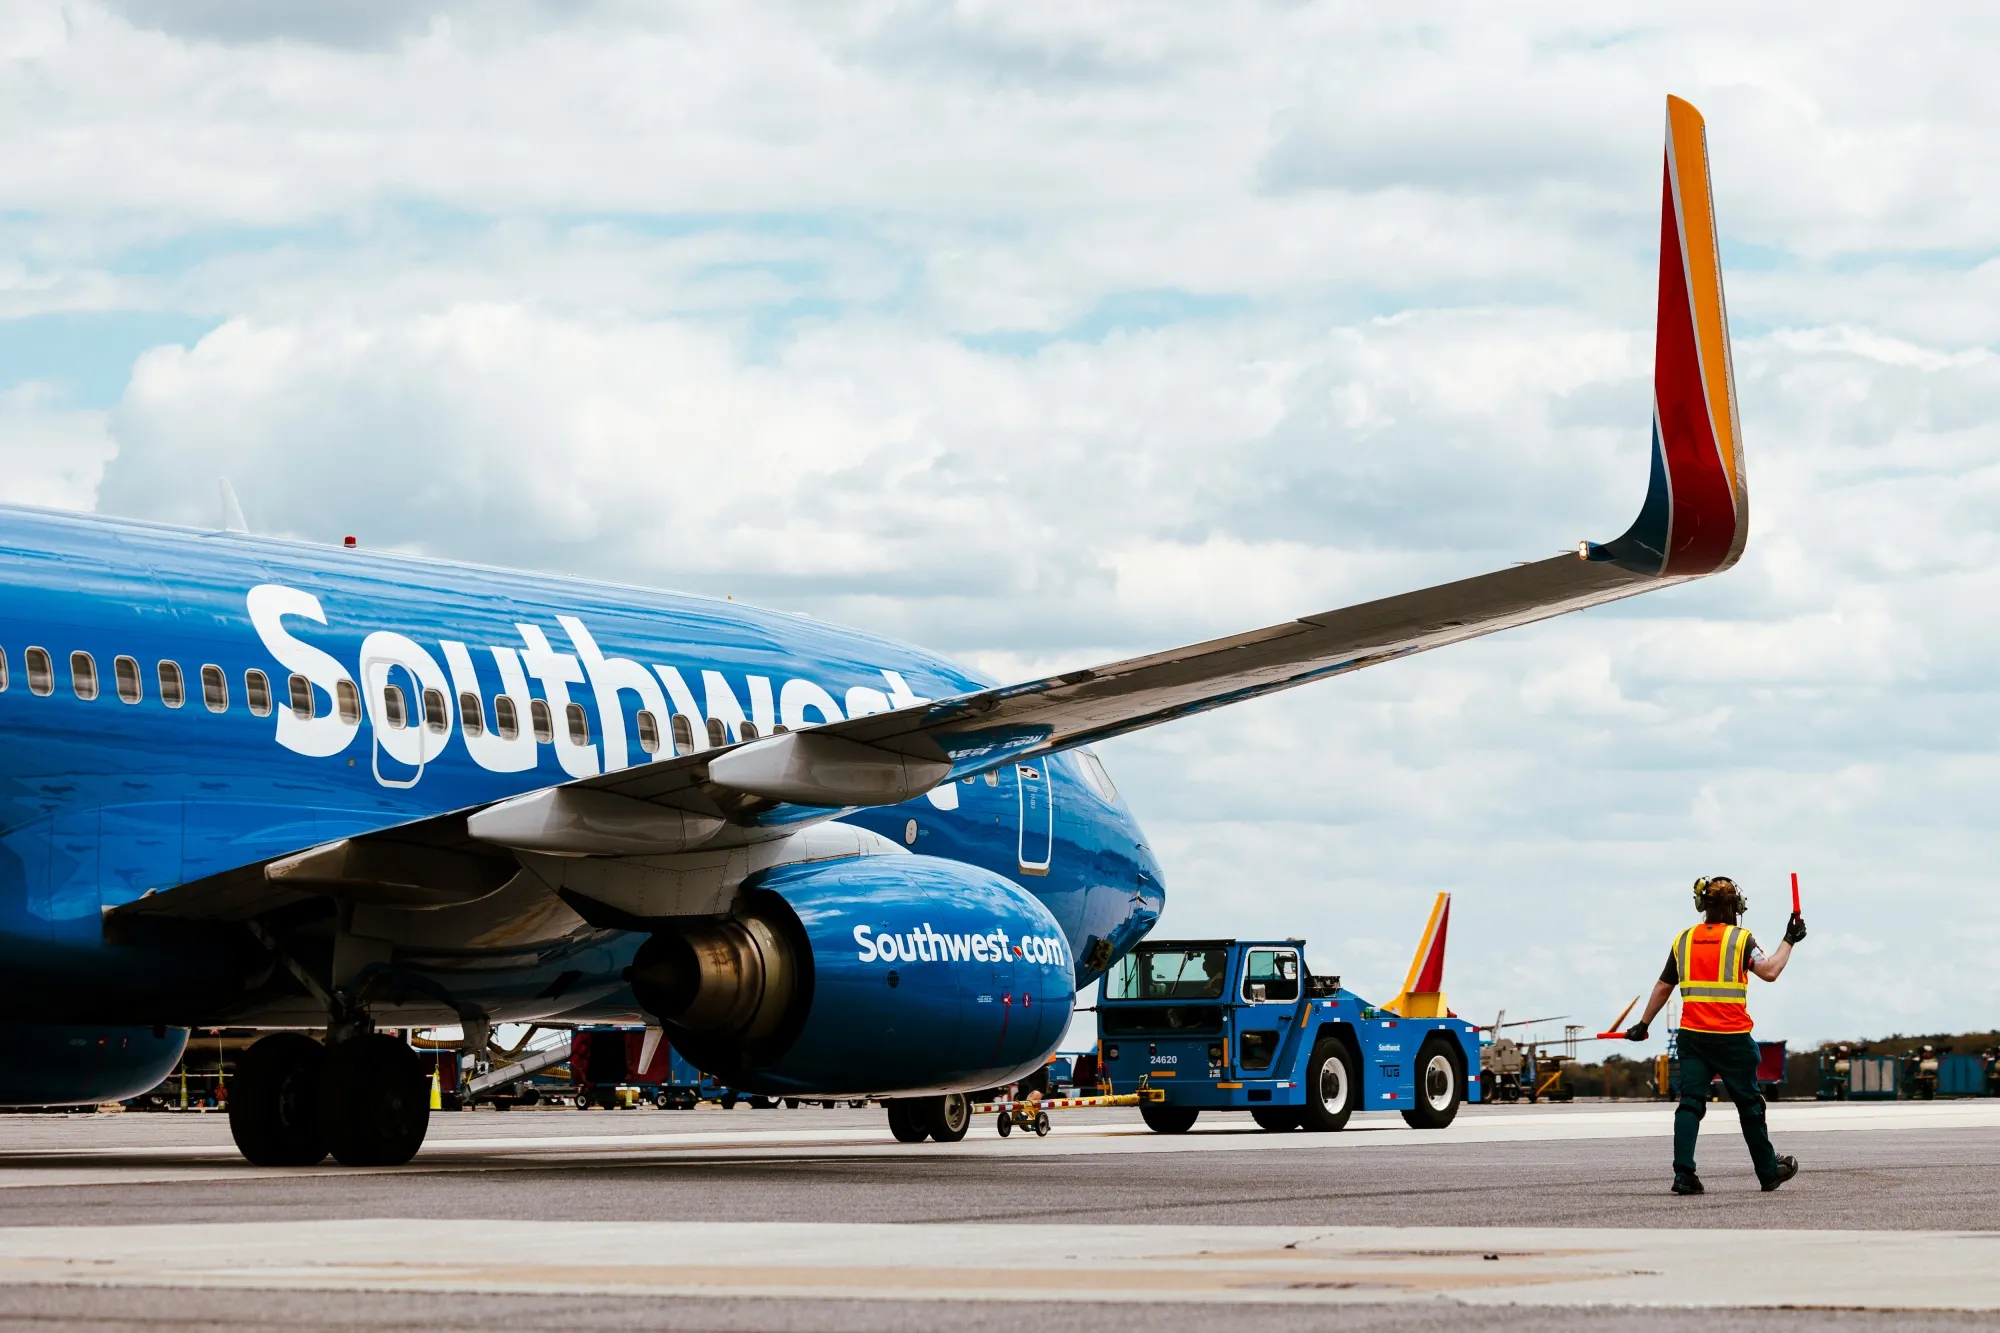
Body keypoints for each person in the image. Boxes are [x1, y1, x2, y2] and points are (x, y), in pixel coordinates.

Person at [1625, 876, 1808, 1195]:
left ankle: (1684, 1175)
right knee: (1750, 1106)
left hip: (1693, 1037)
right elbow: (1770, 971)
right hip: (1732, 1036)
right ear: (1737, 908)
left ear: (1702, 906)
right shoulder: (1742, 940)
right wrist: (1789, 939)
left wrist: (1643, 1024)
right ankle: (1767, 1172)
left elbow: (1663, 986)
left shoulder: (1683, 940)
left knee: (1690, 1104)